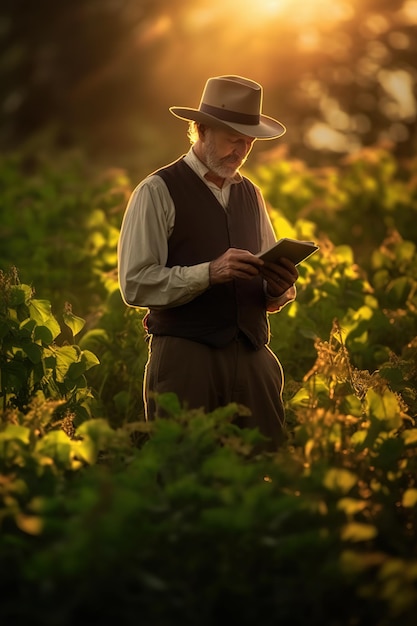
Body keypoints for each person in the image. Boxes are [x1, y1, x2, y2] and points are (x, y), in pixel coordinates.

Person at [118, 75, 299, 450]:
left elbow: (268, 288)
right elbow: (135, 284)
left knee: (263, 471)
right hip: (186, 358)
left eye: (248, 143)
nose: (241, 151)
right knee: (185, 474)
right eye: (234, 139)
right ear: (201, 130)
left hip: (253, 357)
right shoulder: (156, 190)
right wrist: (210, 273)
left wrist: (278, 289)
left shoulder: (251, 193)